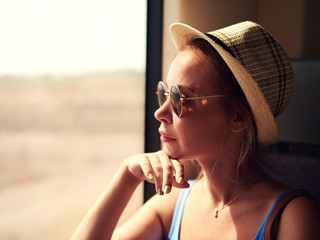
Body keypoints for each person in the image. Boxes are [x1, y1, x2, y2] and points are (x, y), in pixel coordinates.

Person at [70, 21, 320, 240]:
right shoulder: (173, 203)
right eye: (164, 93)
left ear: (237, 117)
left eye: (180, 98)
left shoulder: (293, 216)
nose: (160, 112)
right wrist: (127, 176)